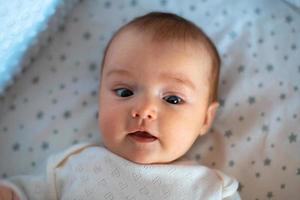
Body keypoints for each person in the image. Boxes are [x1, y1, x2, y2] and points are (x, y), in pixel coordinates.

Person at [0, 12, 241, 200]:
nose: (144, 109)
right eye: (125, 92)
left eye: (173, 99)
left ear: (206, 119)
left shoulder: (211, 189)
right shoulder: (76, 165)